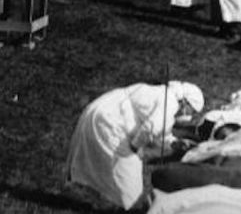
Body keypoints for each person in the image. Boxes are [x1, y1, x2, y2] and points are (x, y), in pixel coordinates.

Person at [66, 81, 205, 210]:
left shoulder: (164, 94)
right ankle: (135, 207)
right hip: (109, 121)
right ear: (185, 102)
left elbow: (158, 127)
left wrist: (174, 142)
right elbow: (150, 128)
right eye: (191, 111)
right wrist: (135, 147)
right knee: (129, 174)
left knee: (117, 166)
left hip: (103, 110)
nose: (189, 115)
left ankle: (118, 202)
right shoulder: (170, 103)